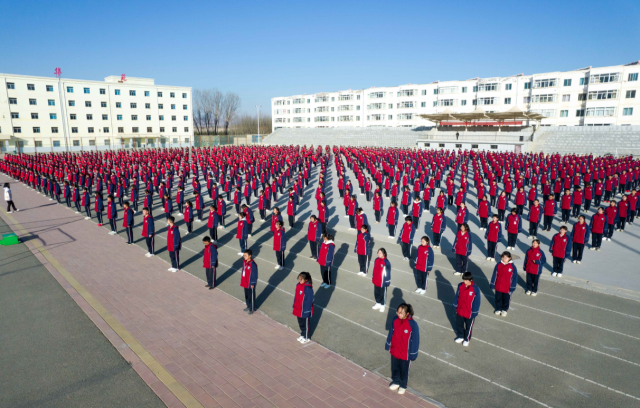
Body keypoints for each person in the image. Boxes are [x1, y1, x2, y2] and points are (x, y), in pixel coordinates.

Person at [385, 303, 419, 395]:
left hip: (405, 353)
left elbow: (415, 340)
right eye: (398, 312)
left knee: (404, 370)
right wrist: (388, 344)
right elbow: (390, 333)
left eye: (401, 313)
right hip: (395, 349)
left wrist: (413, 354)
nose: (398, 314)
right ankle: (396, 381)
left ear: (407, 314)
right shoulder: (395, 320)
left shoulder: (413, 325)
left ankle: (403, 385)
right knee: (395, 367)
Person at [453, 272, 480, 347]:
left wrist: (474, 312)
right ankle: (461, 336)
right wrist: (455, 305)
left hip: (469, 312)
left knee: (468, 327)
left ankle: (467, 339)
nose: (465, 282)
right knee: (459, 325)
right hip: (460, 310)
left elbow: (477, 302)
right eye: (464, 280)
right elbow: (457, 296)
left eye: (467, 280)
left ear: (471, 280)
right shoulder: (460, 285)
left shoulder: (475, 289)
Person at [490, 251, 518, 317]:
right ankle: (498, 309)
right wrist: (492, 283)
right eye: (502, 257)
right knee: (498, 298)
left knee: (506, 299)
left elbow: (514, 278)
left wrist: (513, 287)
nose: (503, 259)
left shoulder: (512, 267)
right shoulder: (498, 265)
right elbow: (494, 275)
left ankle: (504, 310)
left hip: (507, 287)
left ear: (509, 258)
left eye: (505, 258)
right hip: (498, 286)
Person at [292, 272, 314, 344]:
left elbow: (310, 300)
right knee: (300, 323)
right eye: (299, 279)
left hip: (304, 310)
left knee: (306, 324)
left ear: (306, 280)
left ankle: (307, 337)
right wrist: (294, 305)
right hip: (298, 308)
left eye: (301, 279)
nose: (299, 281)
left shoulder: (308, 289)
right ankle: (302, 334)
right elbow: (296, 297)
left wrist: (307, 310)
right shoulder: (298, 285)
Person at [371, 248, 391, 313]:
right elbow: (374, 269)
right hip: (376, 280)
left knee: (382, 293)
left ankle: (383, 305)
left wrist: (387, 281)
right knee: (376, 292)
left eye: (380, 253)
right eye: (378, 252)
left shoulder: (386, 262)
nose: (379, 254)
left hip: (382, 281)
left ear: (384, 254)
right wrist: (373, 277)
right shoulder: (376, 260)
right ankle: (378, 303)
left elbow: (388, 273)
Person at [241, 250, 258, 314]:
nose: (244, 257)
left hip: (250, 283)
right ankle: (248, 306)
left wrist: (253, 283)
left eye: (246, 256)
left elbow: (254, 274)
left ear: (250, 256)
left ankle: (252, 308)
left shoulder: (252, 264)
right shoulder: (244, 262)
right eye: (244, 255)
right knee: (247, 295)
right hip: (245, 282)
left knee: (251, 296)